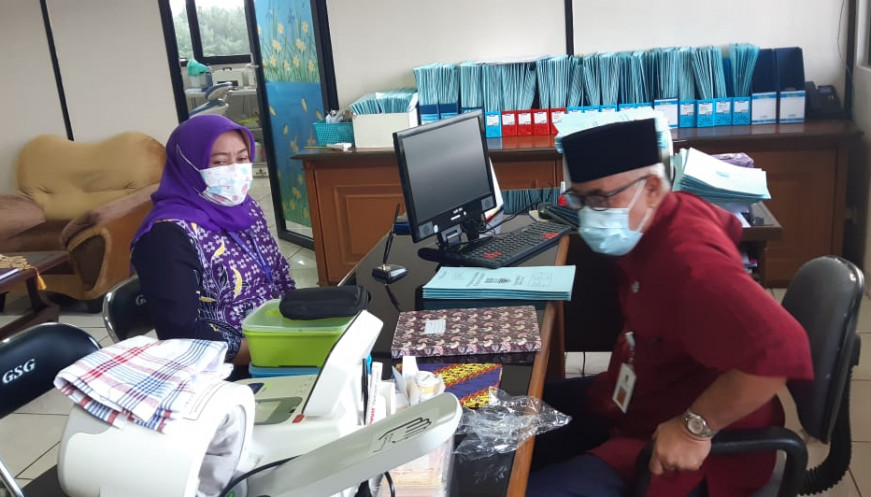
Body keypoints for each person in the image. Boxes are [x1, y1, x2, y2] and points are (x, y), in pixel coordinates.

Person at [526, 118, 813, 497]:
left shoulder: (688, 260)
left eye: (600, 200)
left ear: (652, 188)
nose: (590, 215)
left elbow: (784, 346)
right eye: (580, 201)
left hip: (693, 446)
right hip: (645, 393)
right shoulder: (657, 221)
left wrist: (694, 429)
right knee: (515, 415)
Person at [131, 114, 296, 369]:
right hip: (223, 366)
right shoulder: (167, 235)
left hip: (276, 335)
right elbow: (182, 333)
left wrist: (304, 322)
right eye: (219, 162)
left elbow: (277, 274)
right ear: (189, 165)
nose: (234, 171)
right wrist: (272, 351)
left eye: (242, 158)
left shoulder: (246, 208)